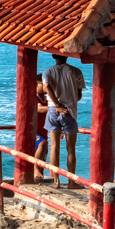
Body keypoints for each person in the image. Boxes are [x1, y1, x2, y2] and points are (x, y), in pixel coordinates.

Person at [43, 52, 85, 188]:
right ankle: (71, 182)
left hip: (53, 110)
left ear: (53, 57)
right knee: (71, 149)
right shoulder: (76, 72)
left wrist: (56, 104)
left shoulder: (48, 71)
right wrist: (65, 102)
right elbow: (78, 96)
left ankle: (56, 181)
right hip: (69, 111)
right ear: (67, 56)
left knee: (54, 147)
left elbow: (47, 86)